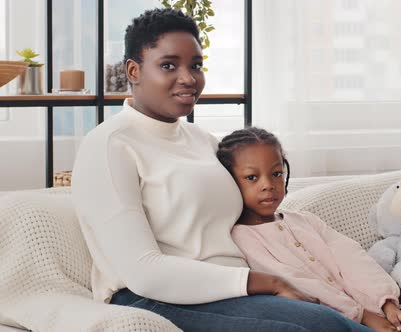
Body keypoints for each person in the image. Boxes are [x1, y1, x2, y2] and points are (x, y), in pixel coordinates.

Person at [72, 8, 379, 332]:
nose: (189, 78)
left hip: (237, 290)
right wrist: (266, 282)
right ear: (133, 71)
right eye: (168, 65)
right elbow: (143, 272)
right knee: (320, 327)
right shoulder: (109, 146)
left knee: (392, 318)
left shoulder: (203, 141)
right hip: (155, 297)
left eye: (196, 66)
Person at [218, 127, 401, 332]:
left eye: (276, 174)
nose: (268, 186)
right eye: (252, 177)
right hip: (340, 322)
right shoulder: (241, 238)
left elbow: (352, 258)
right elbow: (298, 285)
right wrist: (362, 316)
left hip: (379, 309)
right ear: (229, 181)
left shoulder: (305, 220)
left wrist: (387, 304)